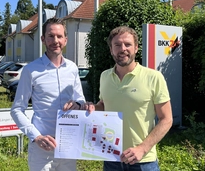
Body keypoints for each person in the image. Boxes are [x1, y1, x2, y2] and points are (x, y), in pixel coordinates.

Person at [84, 26, 173, 171]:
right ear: (111, 50)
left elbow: (167, 119)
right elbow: (104, 104)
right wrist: (94, 107)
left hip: (143, 161)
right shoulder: (104, 76)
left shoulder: (154, 77)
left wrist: (142, 149)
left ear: (136, 48)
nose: (122, 49)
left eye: (128, 44)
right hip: (111, 158)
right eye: (117, 45)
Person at [10, 17, 86, 171]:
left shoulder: (72, 68)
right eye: (51, 36)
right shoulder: (31, 70)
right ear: (43, 39)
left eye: (59, 36)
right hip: (42, 147)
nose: (55, 40)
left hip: (68, 144)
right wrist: (36, 137)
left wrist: (78, 104)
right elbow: (17, 109)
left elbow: (80, 100)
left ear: (66, 40)